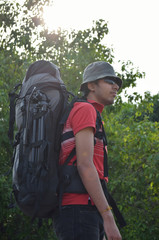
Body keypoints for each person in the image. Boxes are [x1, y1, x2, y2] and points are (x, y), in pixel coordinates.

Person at [53, 61, 123, 240]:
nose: (116, 86)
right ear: (91, 85)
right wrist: (108, 216)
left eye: (117, 83)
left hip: (82, 210)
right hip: (79, 210)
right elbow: (84, 165)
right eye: (109, 81)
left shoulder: (90, 112)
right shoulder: (85, 110)